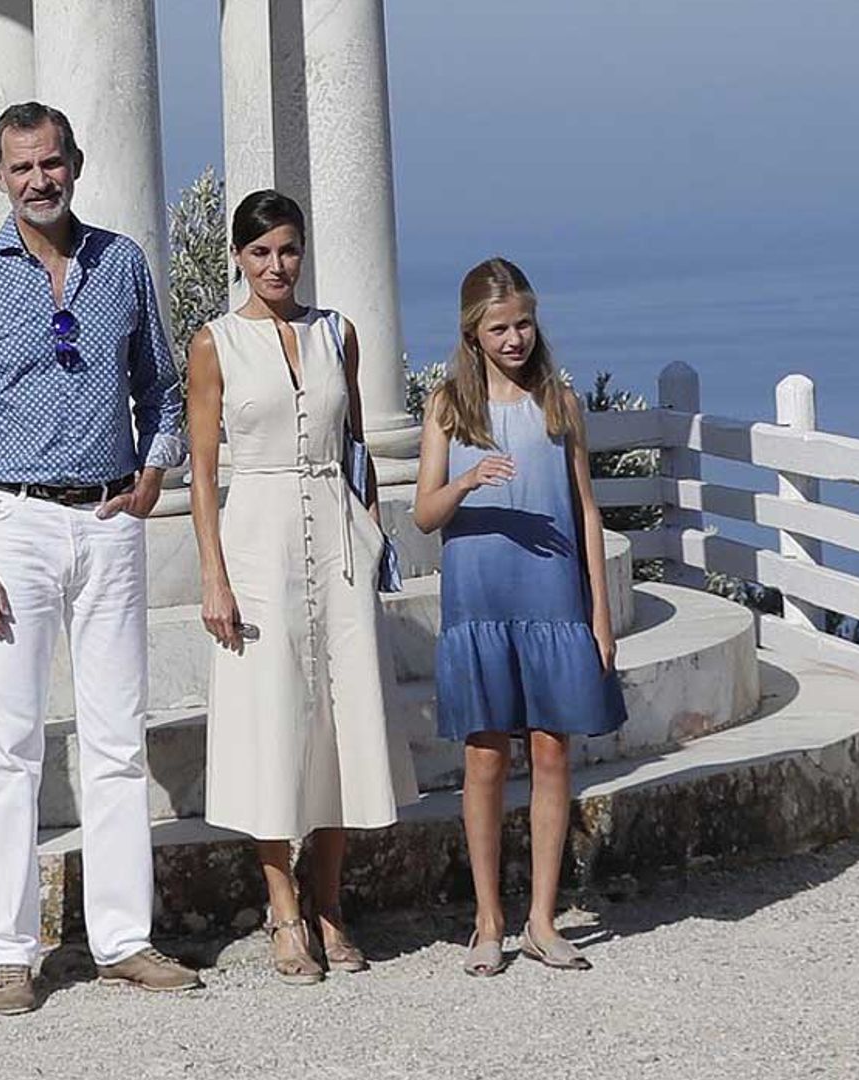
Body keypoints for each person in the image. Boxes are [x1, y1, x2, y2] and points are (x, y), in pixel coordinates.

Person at [0, 102, 201, 1015]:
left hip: (109, 518)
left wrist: (156, 472)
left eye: (52, 162)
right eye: (21, 167)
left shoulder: (122, 263)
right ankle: (11, 952)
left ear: (75, 163)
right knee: (10, 746)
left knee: (118, 737)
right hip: (10, 525)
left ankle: (124, 939)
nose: (39, 179)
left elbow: (161, 387)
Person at [186, 189, 417, 985]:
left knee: (341, 723)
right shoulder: (214, 343)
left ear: (302, 250)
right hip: (256, 538)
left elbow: (356, 445)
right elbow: (205, 470)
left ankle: (330, 907)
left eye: (287, 249)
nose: (276, 265)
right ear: (239, 259)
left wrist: (377, 537)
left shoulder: (337, 333)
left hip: (337, 529)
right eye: (260, 253)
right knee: (273, 724)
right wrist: (213, 575)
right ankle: (283, 912)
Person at [411, 257, 628, 977]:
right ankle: (487, 920)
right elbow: (423, 514)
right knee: (482, 760)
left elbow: (588, 512)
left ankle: (541, 918)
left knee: (551, 754)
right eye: (499, 328)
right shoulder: (448, 407)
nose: (515, 340)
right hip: (480, 604)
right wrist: (469, 479)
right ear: (472, 333)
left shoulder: (559, 405)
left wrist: (600, 614)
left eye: (524, 324)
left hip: (553, 598)